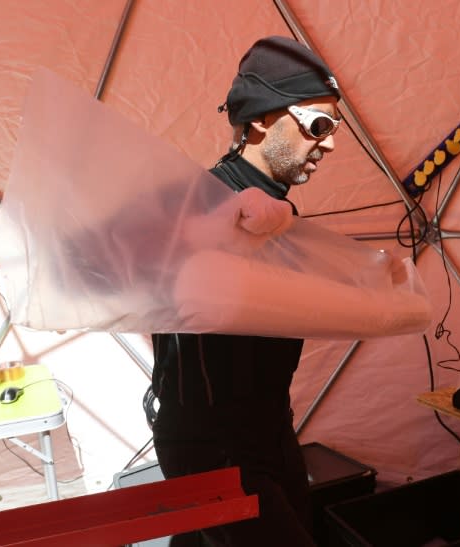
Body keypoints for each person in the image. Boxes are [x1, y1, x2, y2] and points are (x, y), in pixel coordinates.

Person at [151, 36, 342, 547]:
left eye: (334, 128)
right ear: (261, 119)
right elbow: (99, 257)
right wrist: (210, 226)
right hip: (208, 448)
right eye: (318, 126)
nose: (329, 143)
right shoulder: (198, 200)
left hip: (271, 429)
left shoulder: (280, 215)